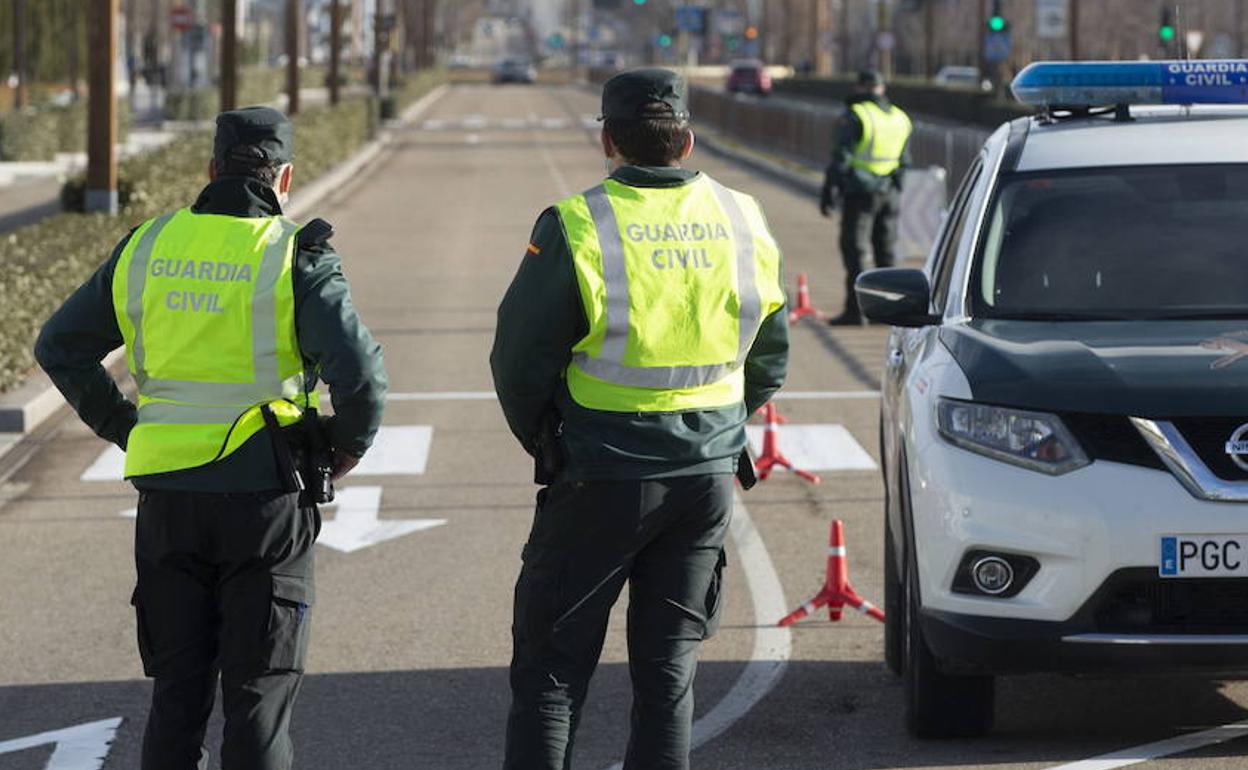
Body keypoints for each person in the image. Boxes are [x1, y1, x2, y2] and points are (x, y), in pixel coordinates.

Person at [34, 106, 387, 770]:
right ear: (284, 179)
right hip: (265, 500)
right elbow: (361, 374)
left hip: (167, 503)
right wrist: (347, 448)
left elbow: (59, 347)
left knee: (177, 696)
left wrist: (126, 427)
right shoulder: (293, 255)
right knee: (258, 695)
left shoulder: (149, 245)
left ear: (209, 171)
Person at [490, 68, 789, 770]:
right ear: (686, 138)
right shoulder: (743, 216)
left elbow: (519, 357)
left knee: (553, 671)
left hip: (600, 473)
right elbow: (770, 356)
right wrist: (719, 423)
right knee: (667, 671)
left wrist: (547, 438)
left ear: (607, 140)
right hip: (705, 477)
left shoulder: (576, 221)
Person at [820, 69, 913, 325]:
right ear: (882, 88)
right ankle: (889, 311)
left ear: (860, 87)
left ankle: (857, 311)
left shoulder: (856, 115)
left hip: (860, 192)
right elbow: (905, 160)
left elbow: (841, 158)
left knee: (856, 251)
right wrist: (895, 186)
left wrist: (829, 191)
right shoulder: (900, 118)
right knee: (886, 252)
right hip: (890, 192)